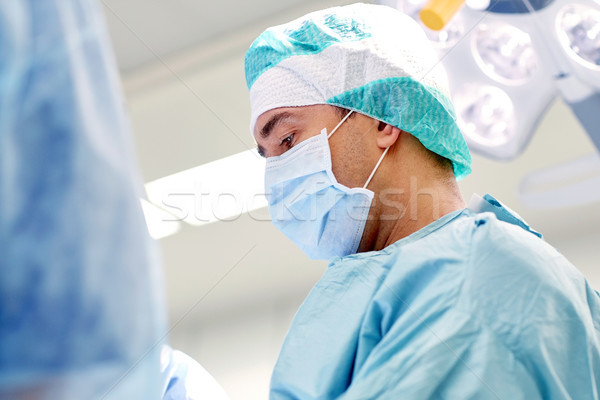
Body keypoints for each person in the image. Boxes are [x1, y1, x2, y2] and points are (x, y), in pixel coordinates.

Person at [244, 3, 600, 399]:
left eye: (288, 140)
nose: (276, 178)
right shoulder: (381, 287)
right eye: (268, 156)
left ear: (382, 118)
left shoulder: (480, 273)